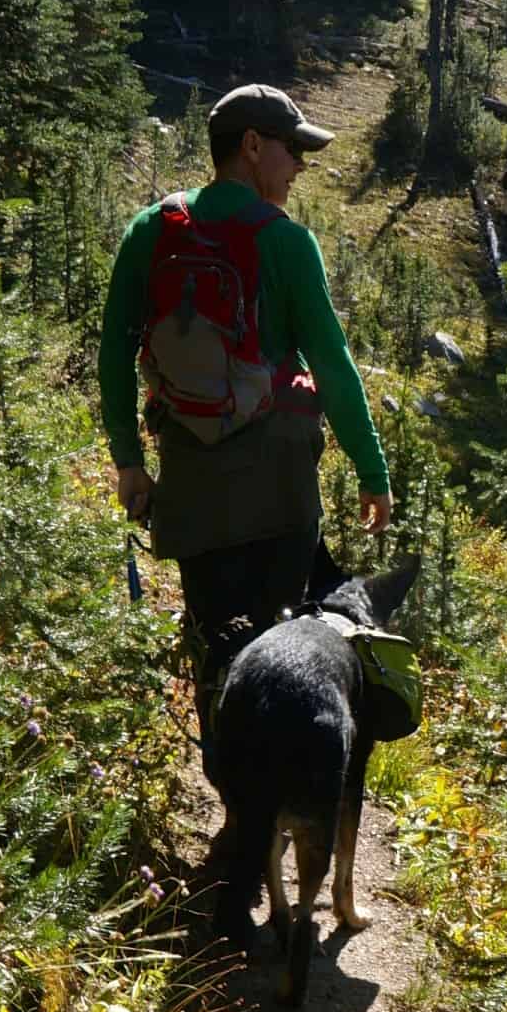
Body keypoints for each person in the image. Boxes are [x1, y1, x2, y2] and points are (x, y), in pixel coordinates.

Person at [99, 82, 392, 769]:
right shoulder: (287, 243)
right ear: (252, 147)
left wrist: (128, 460)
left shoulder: (151, 231)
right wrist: (371, 471)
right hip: (281, 495)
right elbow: (333, 365)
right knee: (278, 644)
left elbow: (114, 349)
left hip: (194, 489)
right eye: (292, 150)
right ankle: (279, 799)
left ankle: (230, 795)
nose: (299, 167)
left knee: (214, 644)